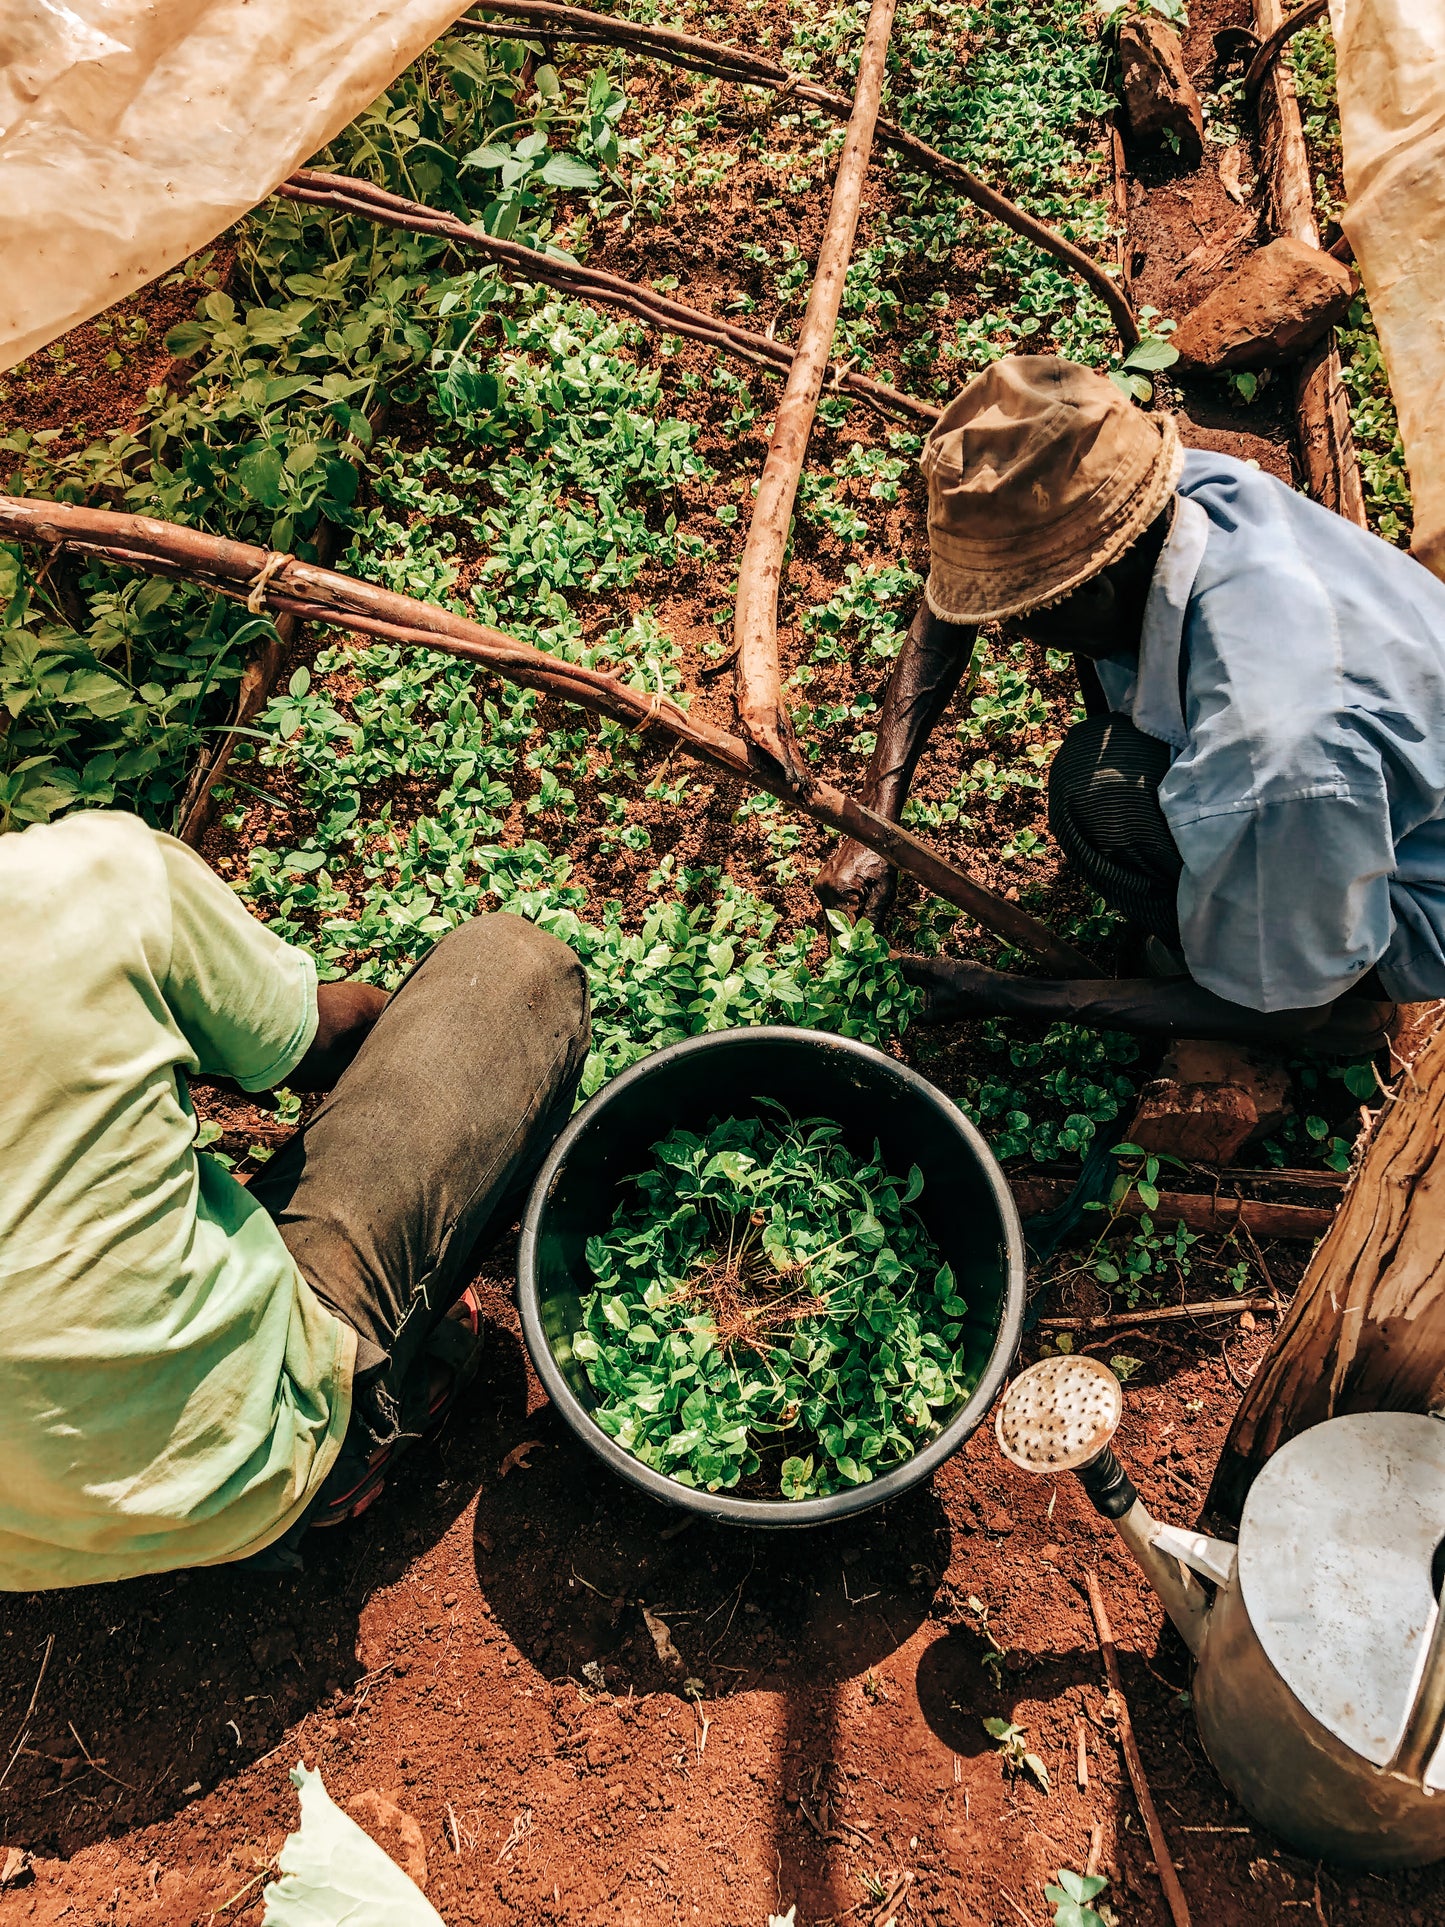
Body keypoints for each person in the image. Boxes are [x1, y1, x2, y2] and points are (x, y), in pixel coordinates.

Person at [0, 810, 589, 1590]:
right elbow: (321, 1041)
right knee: (514, 971)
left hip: (27, 1548)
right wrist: (402, 1027)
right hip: (237, 1471)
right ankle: (343, 1448)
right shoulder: (74, 881)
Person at [816, 354, 1445, 1050]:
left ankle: (1353, 1001)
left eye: (1019, 614)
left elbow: (1290, 1008)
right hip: (1355, 780)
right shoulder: (1151, 489)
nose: (1009, 633)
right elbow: (951, 605)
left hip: (1412, 889)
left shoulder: (1272, 761)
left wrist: (1004, 993)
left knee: (1098, 791)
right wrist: (872, 825)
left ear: (1091, 587)